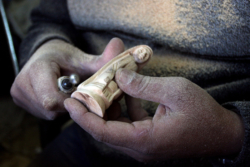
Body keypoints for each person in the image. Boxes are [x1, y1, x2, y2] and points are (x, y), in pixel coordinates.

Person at [10, 0, 250, 166]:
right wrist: (46, 47)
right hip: (87, 138)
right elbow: (50, 18)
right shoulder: (125, 61)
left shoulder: (132, 60)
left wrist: (232, 131)